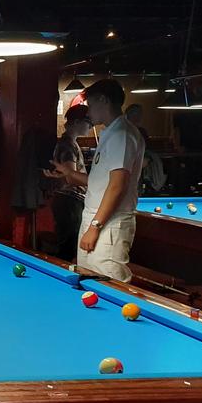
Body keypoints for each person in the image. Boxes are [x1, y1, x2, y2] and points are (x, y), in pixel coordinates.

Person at [45, 79, 144, 281]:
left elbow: (117, 186)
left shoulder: (122, 134)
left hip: (108, 224)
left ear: (103, 100)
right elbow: (99, 182)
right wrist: (69, 173)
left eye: (90, 105)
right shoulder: (112, 133)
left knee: (108, 284)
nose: (88, 112)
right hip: (98, 220)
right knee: (88, 281)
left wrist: (95, 227)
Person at [49, 104, 92, 261]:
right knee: (68, 248)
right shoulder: (67, 145)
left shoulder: (68, 142)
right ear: (77, 122)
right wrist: (94, 181)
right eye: (89, 123)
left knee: (67, 246)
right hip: (69, 201)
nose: (91, 126)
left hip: (67, 200)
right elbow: (71, 177)